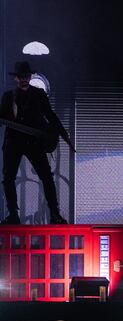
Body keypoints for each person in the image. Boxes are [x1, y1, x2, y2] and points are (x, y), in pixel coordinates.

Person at [1, 61, 74, 225]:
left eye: (26, 76)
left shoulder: (39, 94)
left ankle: (55, 214)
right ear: (16, 78)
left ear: (30, 77)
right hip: (13, 141)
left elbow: (51, 116)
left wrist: (64, 135)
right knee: (8, 177)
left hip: (35, 142)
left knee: (47, 177)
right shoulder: (8, 97)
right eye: (21, 77)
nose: (23, 80)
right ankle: (13, 215)